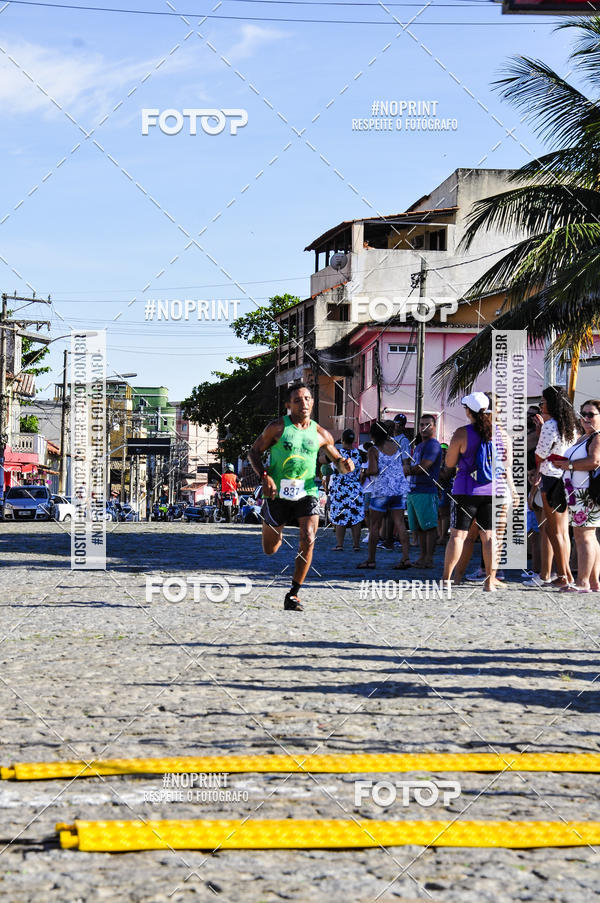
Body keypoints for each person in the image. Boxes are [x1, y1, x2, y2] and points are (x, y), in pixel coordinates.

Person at [248, 383, 354, 611]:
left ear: (313, 402)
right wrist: (264, 476)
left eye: (307, 399)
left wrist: (345, 464)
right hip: (277, 493)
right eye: (297, 400)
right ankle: (269, 522)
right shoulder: (277, 428)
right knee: (271, 549)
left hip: (307, 492)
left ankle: (293, 594)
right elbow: (254, 452)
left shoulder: (320, 434)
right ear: (288, 405)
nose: (303, 403)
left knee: (308, 537)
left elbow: (337, 461)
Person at [442, 392, 509, 592]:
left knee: (458, 535)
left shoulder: (462, 433)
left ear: (468, 411)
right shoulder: (501, 434)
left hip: (466, 489)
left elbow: (450, 463)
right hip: (492, 489)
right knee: (489, 536)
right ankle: (490, 581)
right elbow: (506, 464)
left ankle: (446, 580)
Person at [552, 399, 600, 592]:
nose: (585, 418)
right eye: (583, 414)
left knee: (584, 536)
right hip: (576, 491)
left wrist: (568, 465)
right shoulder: (585, 437)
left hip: (585, 492)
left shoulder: (597, 437)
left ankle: (583, 582)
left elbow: (594, 461)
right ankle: (593, 582)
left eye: (591, 414)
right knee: (587, 536)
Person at [534, 385, 578, 588]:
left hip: (551, 478)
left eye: (542, 401)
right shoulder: (572, 425)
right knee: (560, 531)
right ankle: (565, 573)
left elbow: (540, 454)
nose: (540, 405)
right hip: (567, 478)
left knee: (555, 530)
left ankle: (564, 576)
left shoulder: (550, 426)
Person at [357, 420, 411, 569]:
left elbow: (373, 470)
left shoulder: (374, 450)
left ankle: (371, 560)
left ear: (373, 435)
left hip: (381, 490)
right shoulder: (396, 446)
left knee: (374, 525)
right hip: (398, 489)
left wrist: (364, 472)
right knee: (400, 523)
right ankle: (406, 558)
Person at [404, 413, 442, 569]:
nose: (423, 428)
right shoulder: (419, 446)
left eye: (427, 424)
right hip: (414, 490)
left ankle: (429, 558)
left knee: (429, 527)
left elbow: (425, 466)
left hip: (426, 489)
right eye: (421, 425)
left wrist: (408, 470)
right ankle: (422, 556)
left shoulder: (433, 445)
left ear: (434, 426)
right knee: (418, 527)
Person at [328, 429, 364, 552]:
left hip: (340, 488)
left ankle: (339, 545)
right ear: (353, 441)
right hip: (355, 488)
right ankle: (356, 545)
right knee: (356, 517)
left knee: (340, 516)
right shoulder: (360, 454)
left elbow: (323, 461)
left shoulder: (337, 454)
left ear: (342, 440)